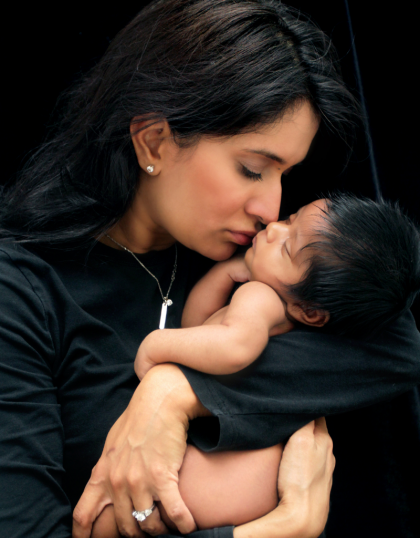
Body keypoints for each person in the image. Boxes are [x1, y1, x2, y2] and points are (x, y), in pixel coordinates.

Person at [1, 1, 419, 538]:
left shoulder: (248, 260)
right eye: (252, 169)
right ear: (153, 140)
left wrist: (176, 393)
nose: (272, 210)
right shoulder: (23, 290)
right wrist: (280, 530)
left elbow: (397, 341)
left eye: (286, 174)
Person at [136, 194, 420, 380]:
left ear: (309, 311)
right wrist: (223, 274)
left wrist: (154, 345)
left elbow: (235, 346)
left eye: (287, 249)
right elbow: (196, 328)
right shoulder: (280, 310)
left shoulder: (261, 298)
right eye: (289, 220)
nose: (273, 229)